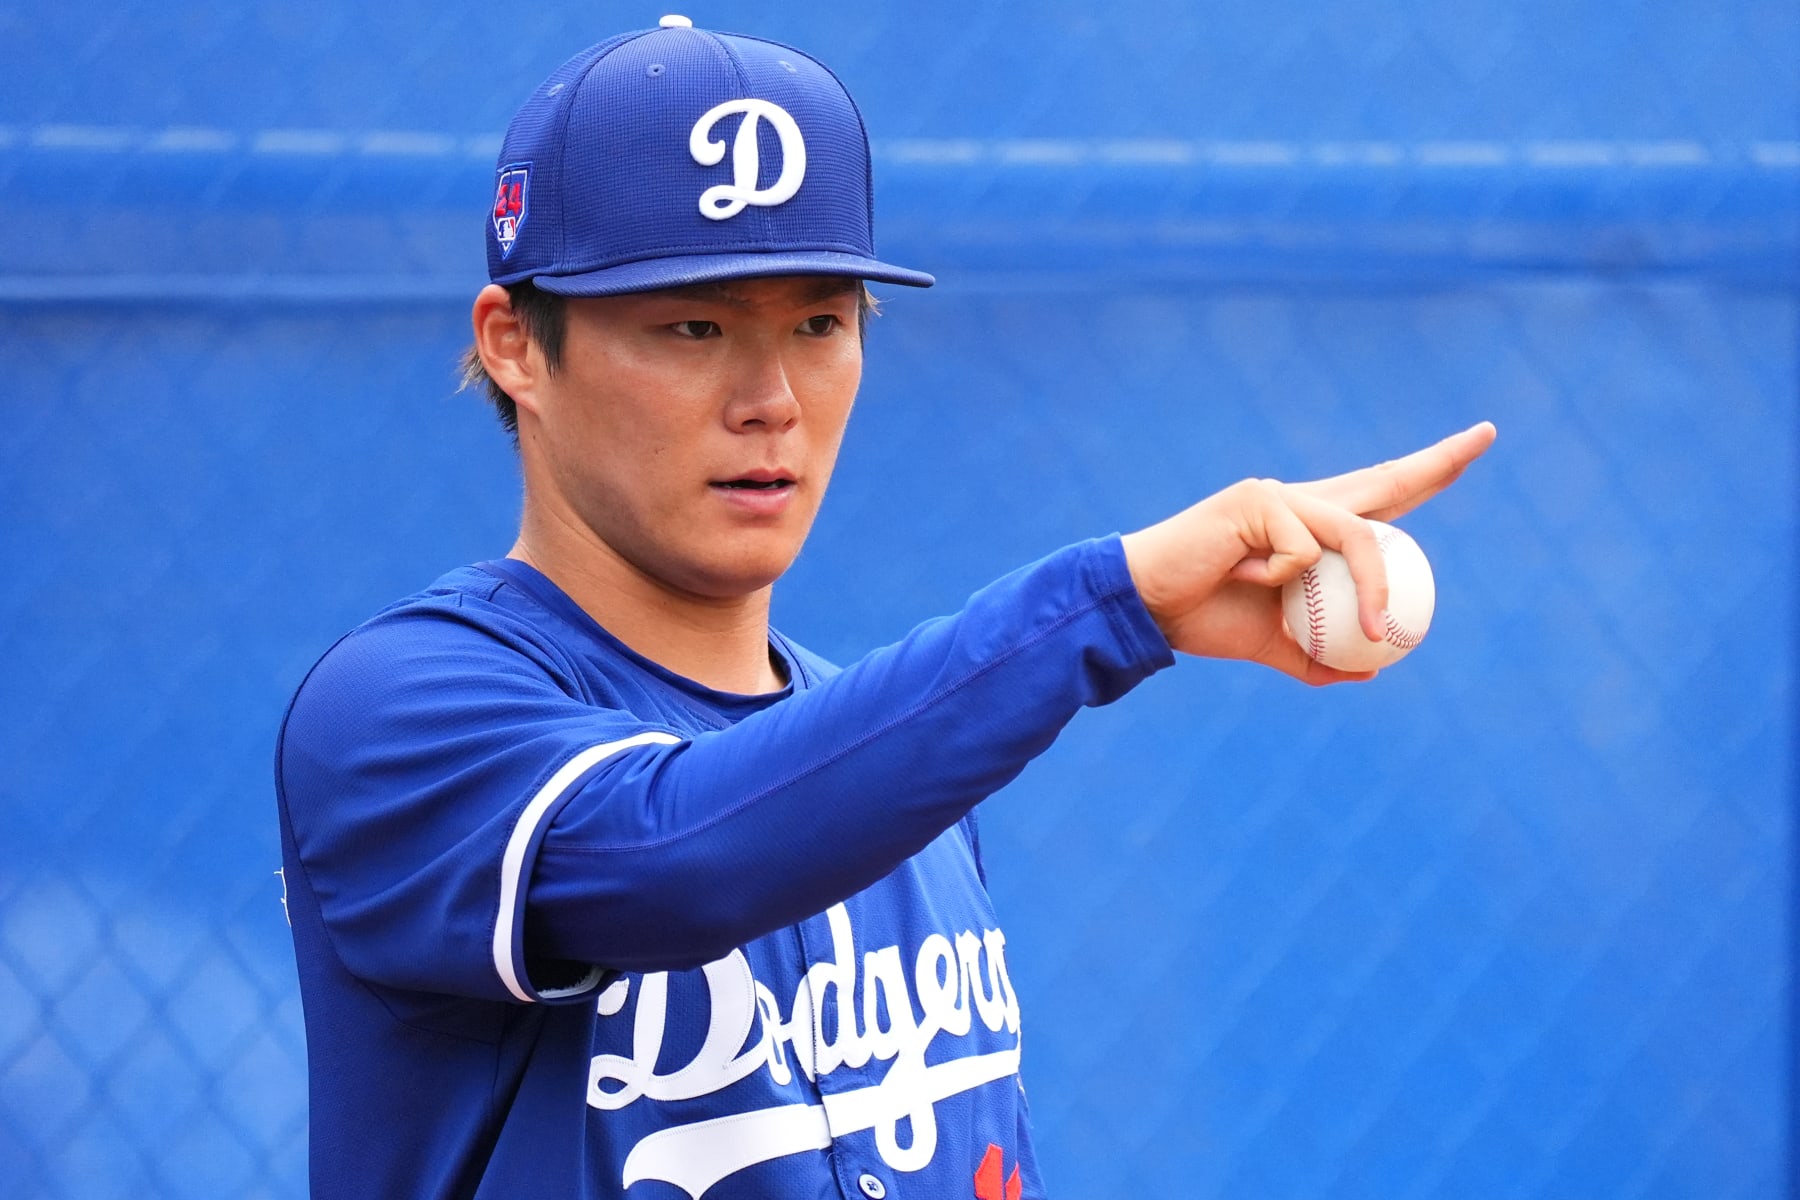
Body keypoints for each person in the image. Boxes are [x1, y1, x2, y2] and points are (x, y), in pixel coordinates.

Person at [274, 16, 1495, 1200]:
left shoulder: (894, 781)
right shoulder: (400, 716)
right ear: (516, 345)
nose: (771, 397)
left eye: (820, 322)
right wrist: (1107, 607)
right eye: (692, 325)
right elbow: (679, 856)